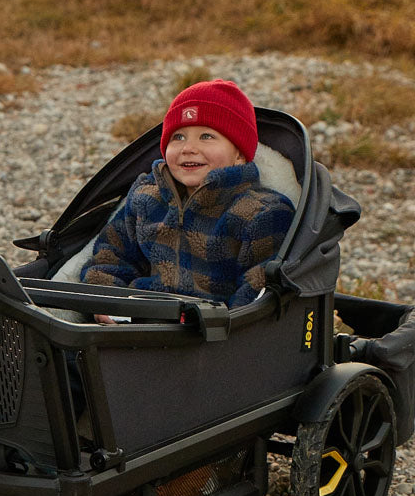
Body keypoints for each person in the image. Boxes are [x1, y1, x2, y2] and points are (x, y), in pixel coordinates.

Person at [80, 79, 295, 322]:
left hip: (211, 330)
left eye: (206, 136)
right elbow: (111, 255)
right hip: (140, 320)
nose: (188, 148)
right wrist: (107, 301)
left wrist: (223, 328)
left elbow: (257, 290)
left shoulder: (260, 212)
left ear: (239, 154)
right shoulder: (146, 196)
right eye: (178, 137)